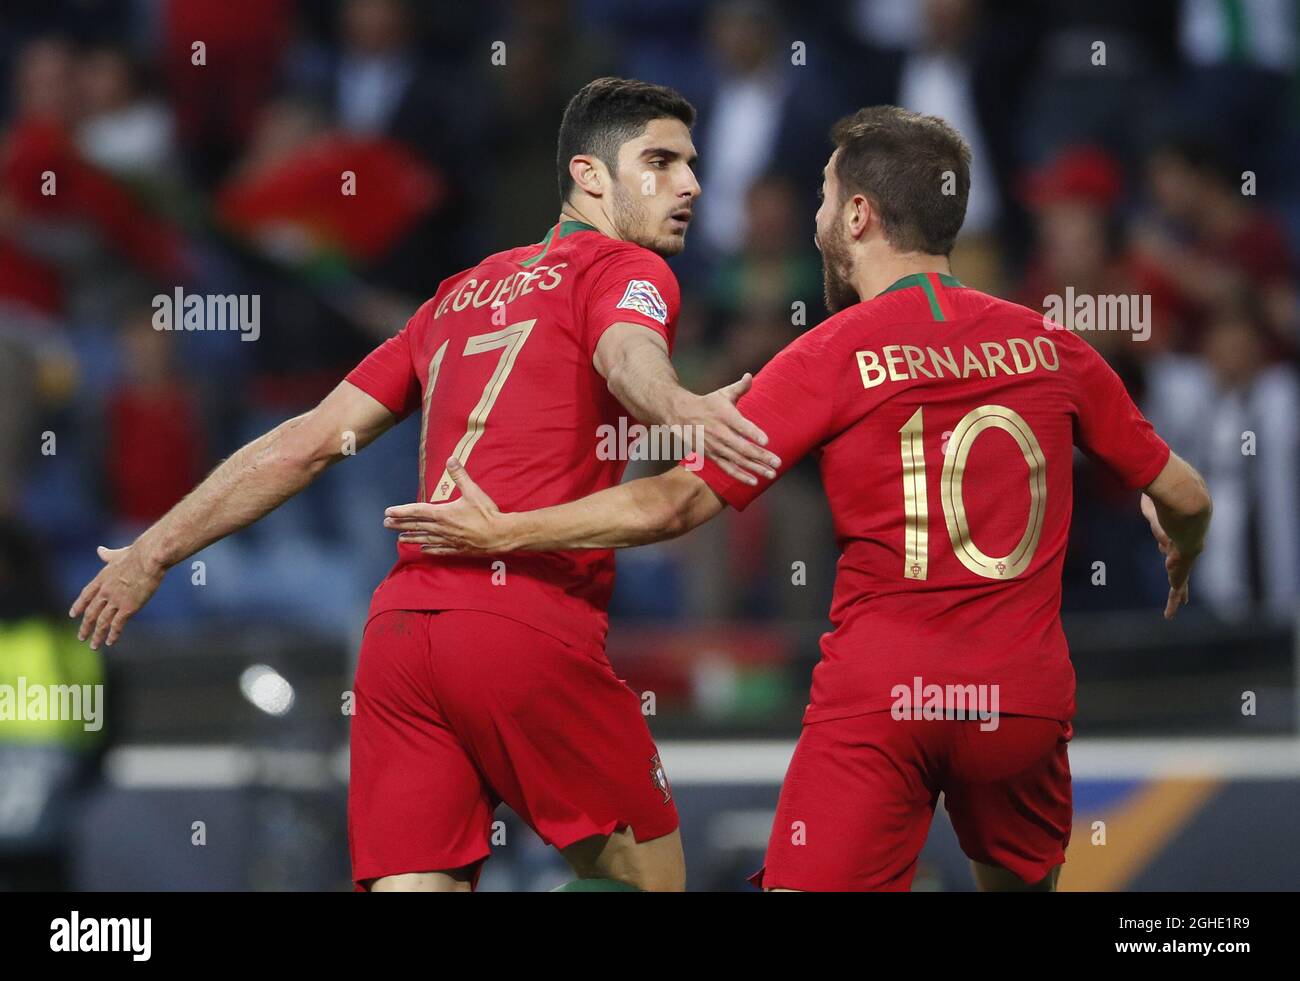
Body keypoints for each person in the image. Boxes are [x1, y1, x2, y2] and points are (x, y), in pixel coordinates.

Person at [387, 106, 1214, 892]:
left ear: (857, 215)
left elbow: (675, 504)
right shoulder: (1051, 344)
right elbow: (1185, 492)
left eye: (822, 195)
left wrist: (504, 529)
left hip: (882, 702)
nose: (817, 218)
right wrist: (1182, 541)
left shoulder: (829, 354)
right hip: (1021, 703)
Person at [70, 77, 776, 893]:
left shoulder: (456, 296)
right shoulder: (625, 269)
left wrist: (154, 550)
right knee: (649, 879)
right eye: (659, 161)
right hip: (525, 623)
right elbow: (629, 357)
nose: (689, 183)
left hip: (402, 635)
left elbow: (304, 442)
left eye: (692, 164)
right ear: (589, 175)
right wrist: (684, 409)